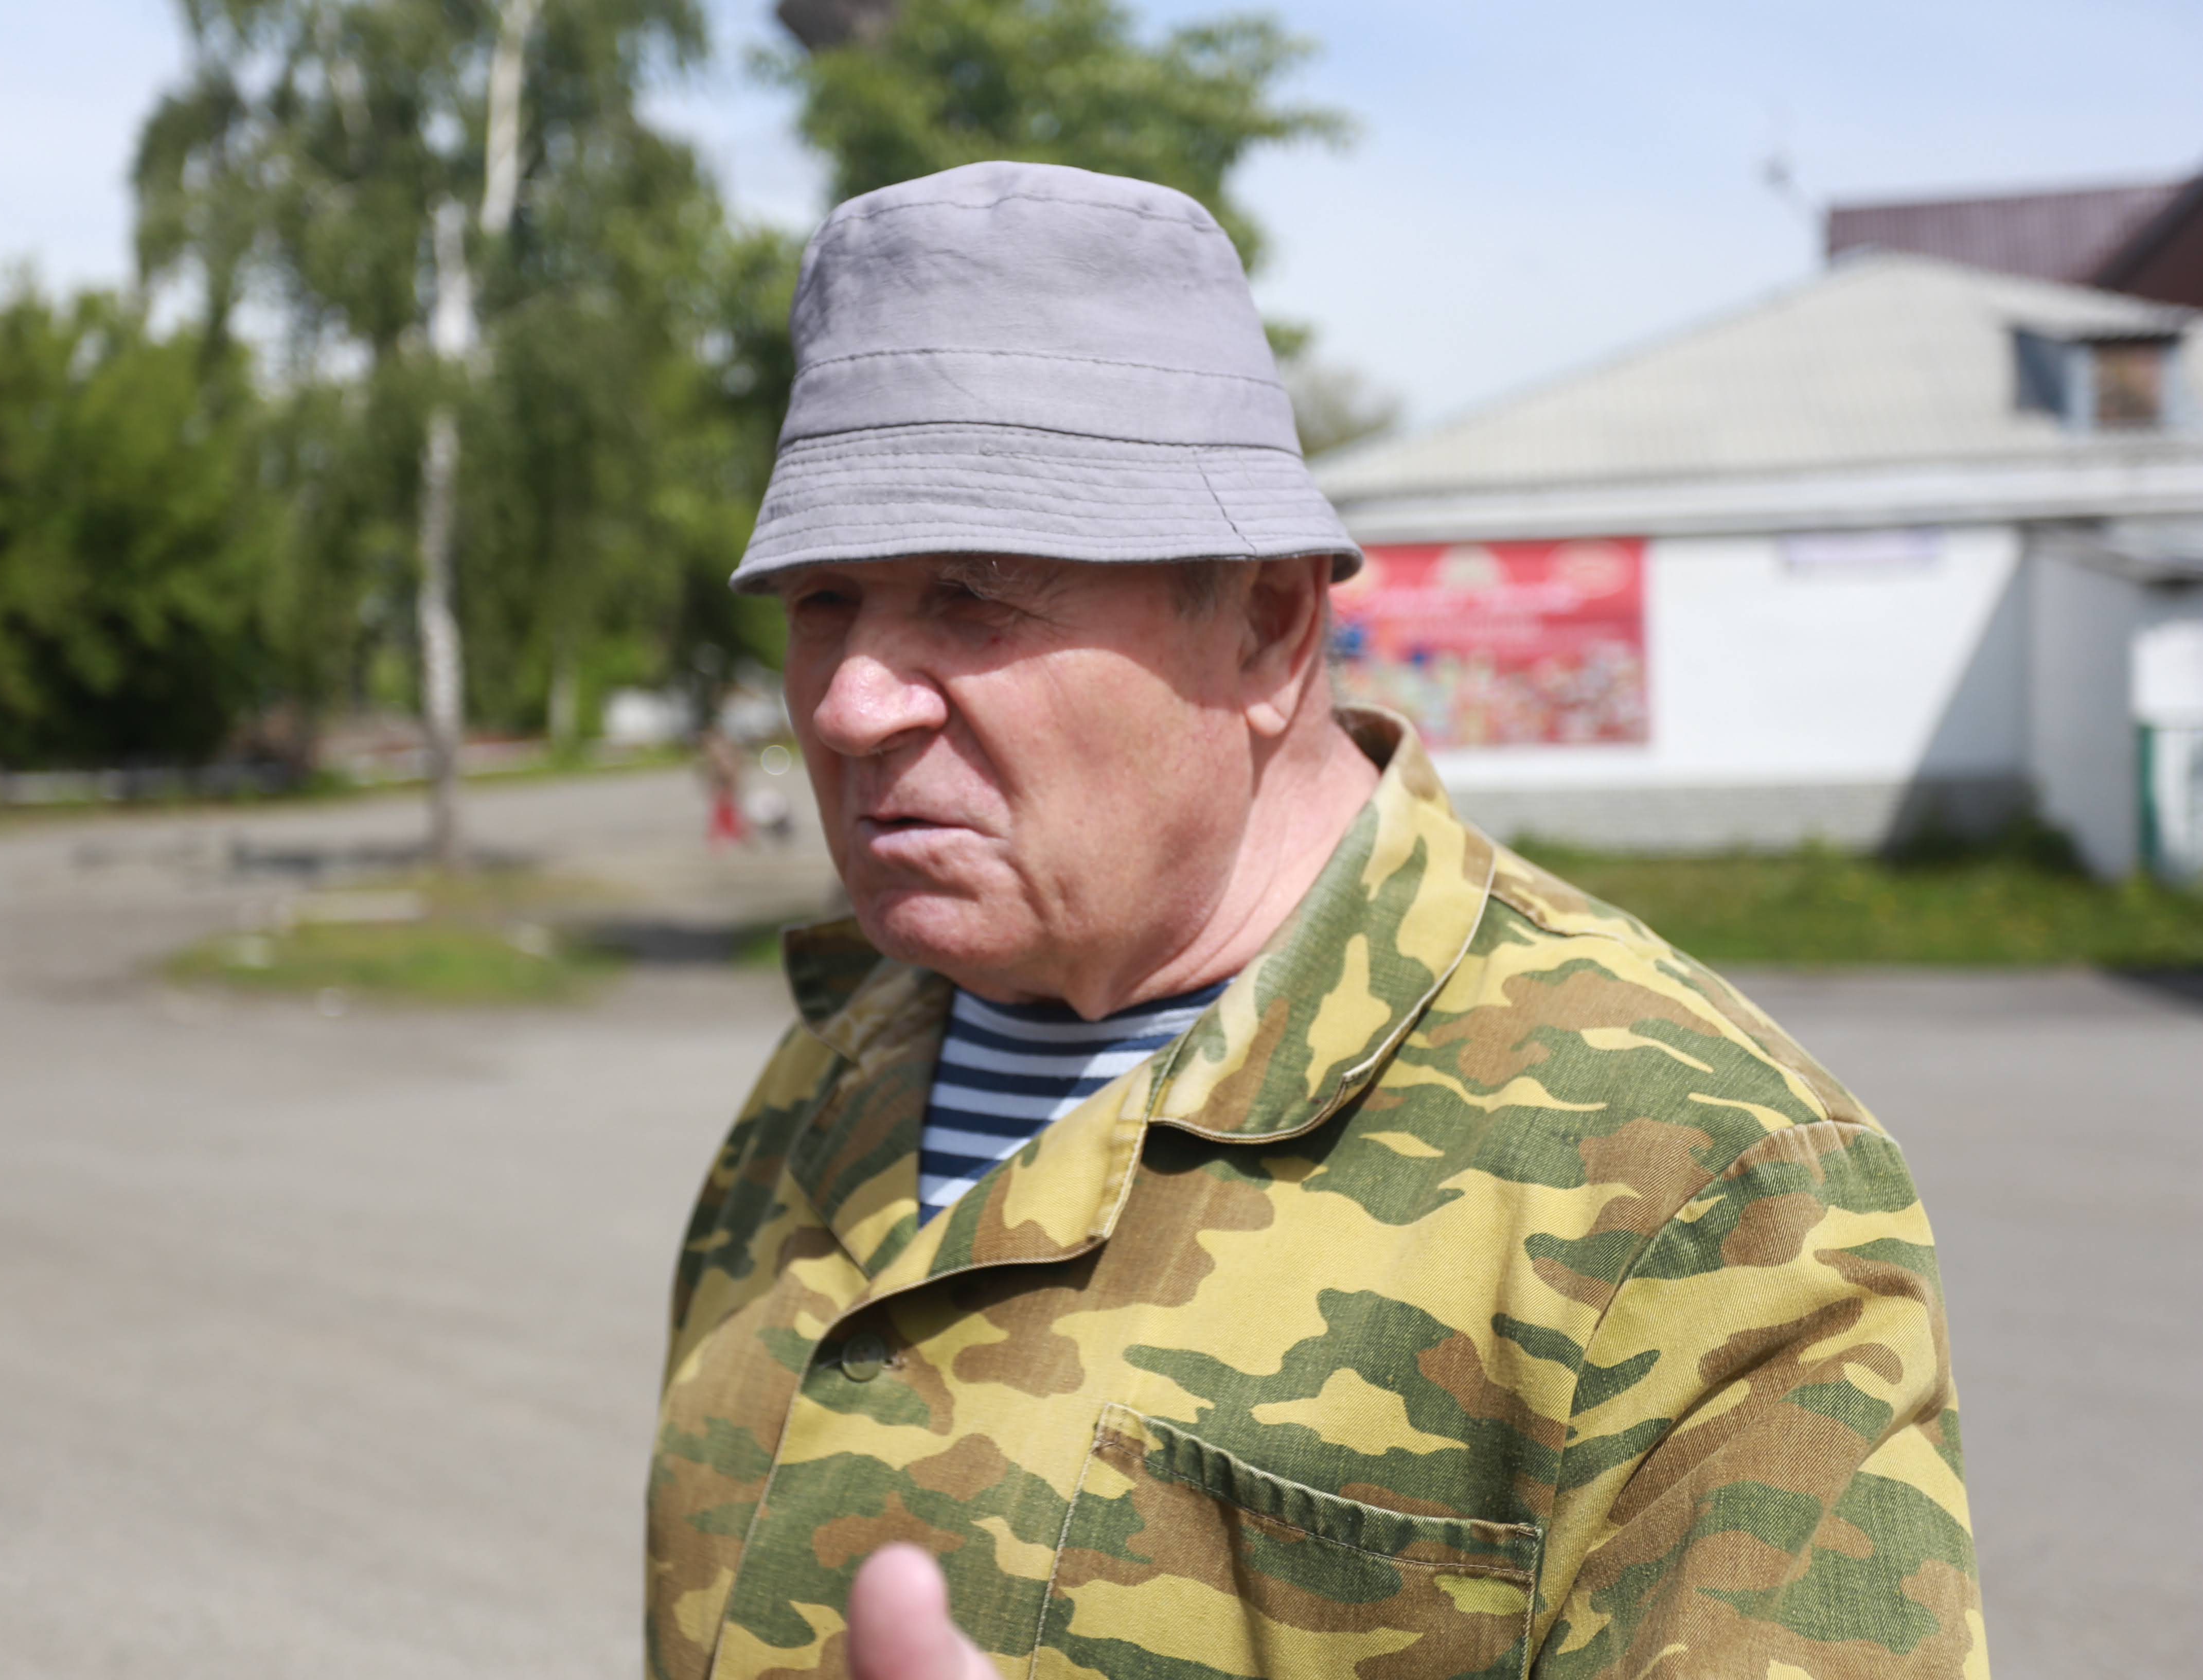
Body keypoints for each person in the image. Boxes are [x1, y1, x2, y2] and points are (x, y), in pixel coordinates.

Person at [647, 162, 1982, 1680]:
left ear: (1269, 623)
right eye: (821, 601)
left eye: (970, 594)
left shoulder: (1699, 1186)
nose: (847, 702)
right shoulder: (831, 1069)